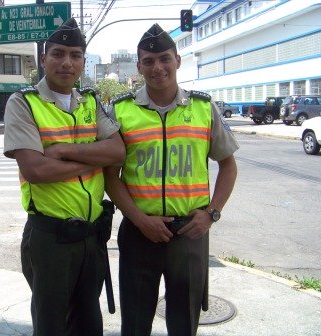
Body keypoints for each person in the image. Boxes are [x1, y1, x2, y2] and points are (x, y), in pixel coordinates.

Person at [104, 24, 239, 336]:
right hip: (140, 234)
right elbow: (111, 177)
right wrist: (139, 219)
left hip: (190, 234)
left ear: (178, 61)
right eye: (148, 61)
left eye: (164, 59)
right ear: (138, 66)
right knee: (135, 324)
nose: (158, 68)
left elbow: (228, 166)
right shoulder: (121, 110)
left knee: (184, 324)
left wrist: (211, 213)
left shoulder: (204, 108)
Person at [3, 18, 125, 336]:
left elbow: (117, 151)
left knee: (88, 326)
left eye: (75, 55)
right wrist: (90, 161)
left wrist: (63, 151)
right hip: (50, 239)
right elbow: (36, 170)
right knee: (52, 327)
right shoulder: (23, 103)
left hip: (91, 238)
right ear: (44, 59)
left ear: (83, 62)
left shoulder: (91, 101)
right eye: (58, 54)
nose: (66, 62)